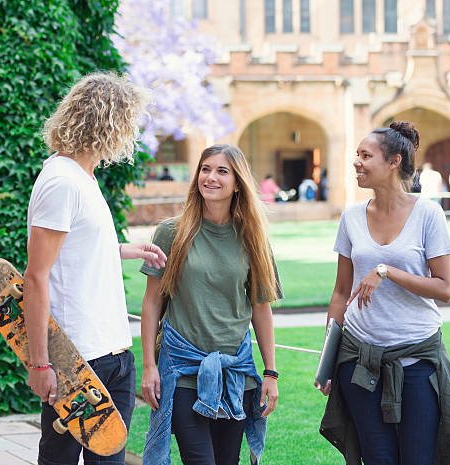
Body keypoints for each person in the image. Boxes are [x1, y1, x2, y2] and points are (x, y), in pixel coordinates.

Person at [316, 121, 450, 465]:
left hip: (417, 362)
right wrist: (328, 360)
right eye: (357, 155)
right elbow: (340, 292)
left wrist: (386, 271)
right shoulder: (350, 217)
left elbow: (445, 289)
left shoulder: (428, 213)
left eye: (366, 155)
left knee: (417, 459)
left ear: (394, 162)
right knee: (378, 459)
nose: (357, 163)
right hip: (359, 362)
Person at [23, 72, 167, 465]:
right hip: (78, 358)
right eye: (128, 123)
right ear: (108, 123)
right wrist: (40, 363)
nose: (131, 133)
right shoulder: (61, 182)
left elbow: (76, 250)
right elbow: (36, 277)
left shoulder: (84, 177)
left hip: (115, 354)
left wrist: (125, 249)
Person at [140, 144, 283, 465]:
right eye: (206, 169)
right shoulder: (171, 232)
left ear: (238, 183)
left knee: (226, 461)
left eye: (222, 171)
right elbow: (151, 303)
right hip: (182, 372)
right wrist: (149, 365)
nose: (211, 177)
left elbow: (261, 309)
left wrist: (270, 373)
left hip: (235, 374)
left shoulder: (253, 239)